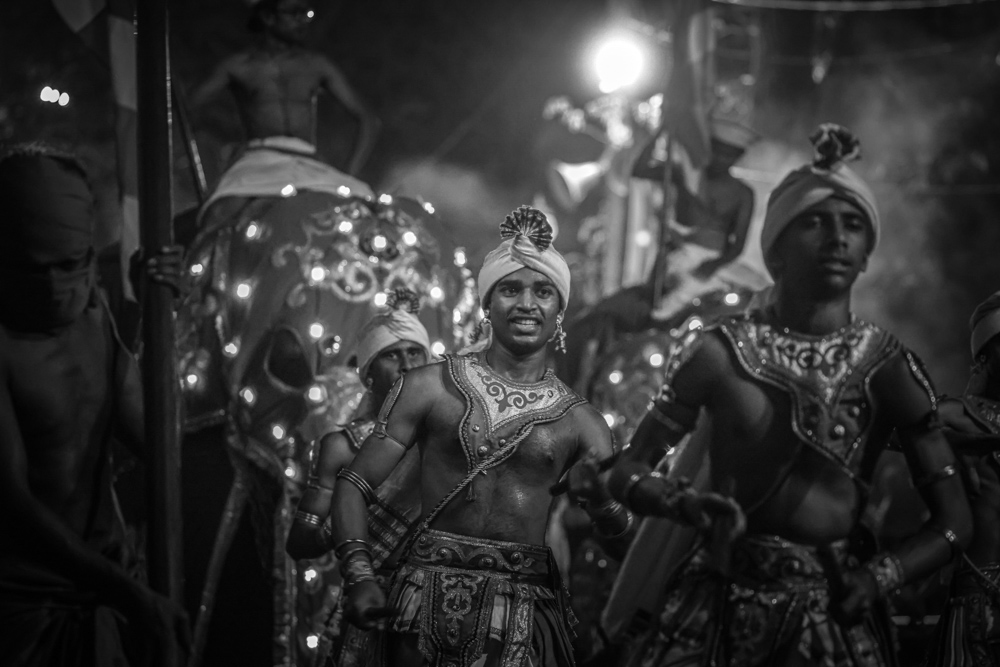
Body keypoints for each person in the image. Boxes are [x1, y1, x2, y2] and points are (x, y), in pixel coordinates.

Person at [605, 124, 973, 667]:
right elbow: (627, 472)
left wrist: (876, 579)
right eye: (814, 223)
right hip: (717, 609)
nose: (837, 238)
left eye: (852, 224)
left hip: (836, 620)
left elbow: (954, 522)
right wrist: (687, 506)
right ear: (775, 251)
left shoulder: (888, 367)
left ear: (867, 253)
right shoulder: (719, 353)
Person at [329, 205, 697, 667]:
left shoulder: (582, 423)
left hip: (523, 619)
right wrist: (360, 575)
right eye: (510, 289)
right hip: (417, 608)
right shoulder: (428, 386)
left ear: (559, 310)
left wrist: (600, 501)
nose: (526, 304)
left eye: (543, 291)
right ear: (487, 304)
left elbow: (626, 541)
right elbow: (353, 483)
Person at [0, 143, 189, 666]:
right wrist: (130, 595)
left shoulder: (93, 313)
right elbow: (14, 506)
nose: (53, 284)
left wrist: (159, 310)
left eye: (69, 264)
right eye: (32, 268)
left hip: (106, 596)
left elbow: (159, 441)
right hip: (23, 611)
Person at [286, 289, 433, 665]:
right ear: (368, 375)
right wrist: (351, 520)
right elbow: (300, 542)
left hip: (440, 604)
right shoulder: (343, 446)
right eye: (390, 355)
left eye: (414, 353)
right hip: (373, 603)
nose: (405, 364)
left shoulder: (446, 438)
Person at [190, 0, 379, 209]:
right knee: (219, 215)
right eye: (294, 13)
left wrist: (348, 173)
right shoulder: (238, 66)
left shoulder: (316, 65)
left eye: (306, 13)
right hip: (256, 165)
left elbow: (367, 119)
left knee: (363, 205)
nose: (302, 21)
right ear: (268, 17)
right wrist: (214, 156)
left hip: (309, 163)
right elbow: (186, 112)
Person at [924, 291, 1000, 667]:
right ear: (986, 356)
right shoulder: (957, 413)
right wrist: (948, 446)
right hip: (978, 597)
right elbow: (890, 427)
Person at [633, 117, 765, 323]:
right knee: (654, 315)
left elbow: (737, 244)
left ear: (738, 158)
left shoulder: (743, 194)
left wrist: (712, 265)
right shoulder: (685, 175)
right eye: (718, 152)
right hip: (673, 258)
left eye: (729, 155)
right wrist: (662, 132)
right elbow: (639, 169)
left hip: (711, 269)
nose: (722, 159)